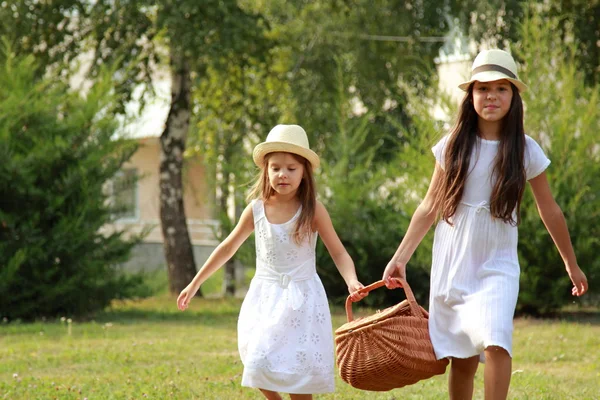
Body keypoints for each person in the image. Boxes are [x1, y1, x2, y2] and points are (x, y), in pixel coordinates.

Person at [382, 49, 588, 400]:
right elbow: (429, 206)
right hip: (454, 259)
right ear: (471, 95)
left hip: (497, 261)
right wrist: (400, 257)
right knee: (462, 359)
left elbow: (550, 210)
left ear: (514, 96)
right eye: (482, 88)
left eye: (501, 88)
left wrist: (571, 264)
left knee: (496, 340)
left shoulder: (526, 150)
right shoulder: (451, 146)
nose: (491, 96)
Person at [177, 124, 365, 400]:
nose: (282, 174)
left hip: (302, 298)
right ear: (266, 170)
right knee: (257, 359)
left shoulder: (313, 210)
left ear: (304, 172)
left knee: (297, 376)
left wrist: (351, 280)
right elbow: (228, 246)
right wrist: (195, 284)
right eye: (275, 167)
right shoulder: (256, 209)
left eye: (291, 168)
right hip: (265, 297)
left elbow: (338, 252)